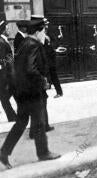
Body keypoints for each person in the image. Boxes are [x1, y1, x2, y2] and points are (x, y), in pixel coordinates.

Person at [0, 19, 60, 169]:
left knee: (21, 122)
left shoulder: (24, 44)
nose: (45, 35)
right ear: (38, 32)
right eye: (44, 31)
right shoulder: (34, 45)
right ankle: (43, 153)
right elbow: (30, 68)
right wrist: (43, 80)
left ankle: (3, 152)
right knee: (39, 122)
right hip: (32, 91)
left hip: (21, 91)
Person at [31, 15, 63, 98]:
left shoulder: (50, 33)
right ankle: (43, 92)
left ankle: (59, 92)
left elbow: (55, 42)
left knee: (54, 76)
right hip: (42, 58)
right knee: (43, 75)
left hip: (50, 58)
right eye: (45, 24)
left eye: (47, 24)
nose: (46, 26)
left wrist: (50, 44)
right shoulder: (38, 33)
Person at [0, 20, 17, 122]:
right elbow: (3, 60)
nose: (8, 29)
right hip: (5, 73)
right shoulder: (1, 42)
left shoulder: (3, 40)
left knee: (4, 96)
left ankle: (12, 116)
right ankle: (12, 116)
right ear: (2, 30)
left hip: (7, 72)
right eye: (6, 28)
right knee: (6, 94)